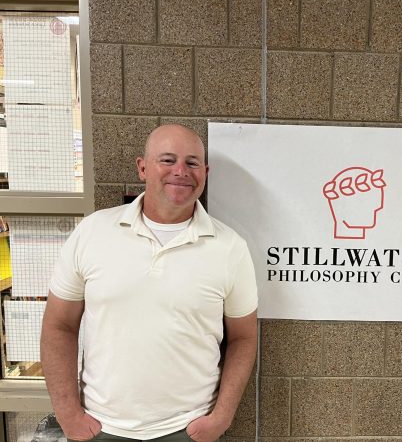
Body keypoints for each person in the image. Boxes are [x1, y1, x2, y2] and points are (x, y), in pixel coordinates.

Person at [40, 124, 258, 442]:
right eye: (167, 160)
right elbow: (59, 326)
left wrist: (221, 418)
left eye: (192, 162)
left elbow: (244, 339)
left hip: (188, 429)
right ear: (143, 168)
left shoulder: (230, 248)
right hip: (101, 428)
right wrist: (69, 416)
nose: (180, 171)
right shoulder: (93, 232)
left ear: (206, 172)